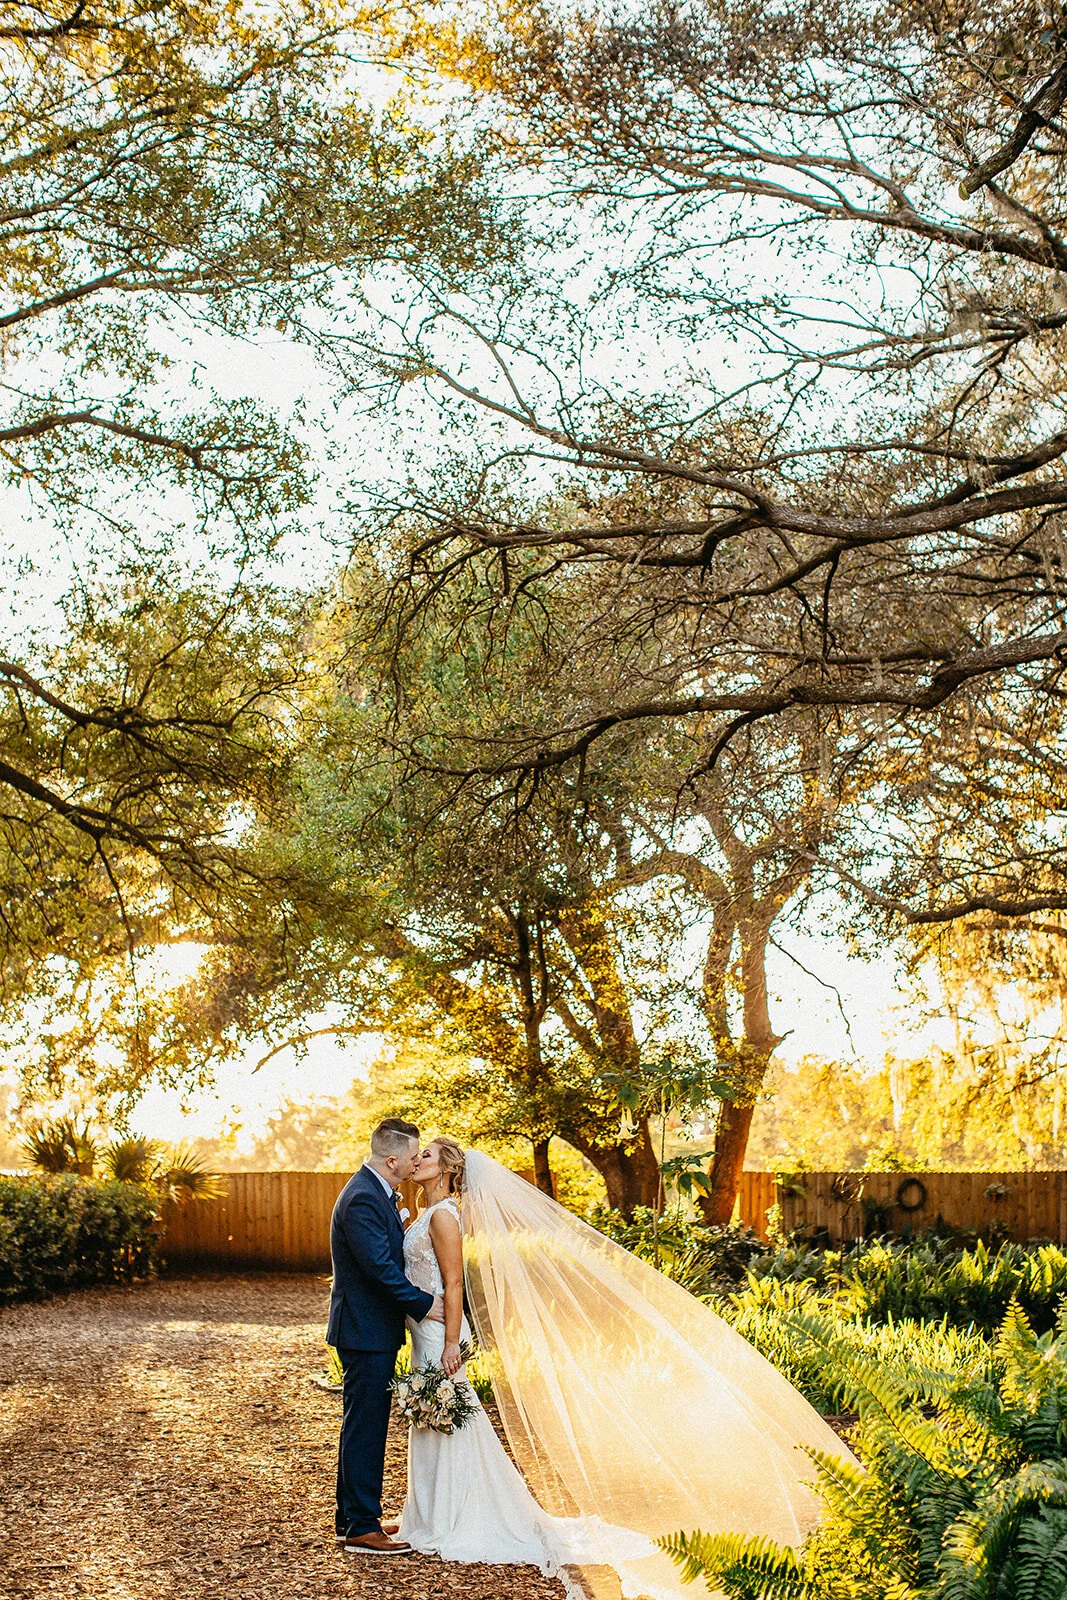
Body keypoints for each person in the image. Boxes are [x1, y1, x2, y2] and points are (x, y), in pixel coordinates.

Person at [397, 1138, 862, 1600]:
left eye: (426, 1157)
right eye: (417, 1156)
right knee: (440, 1418)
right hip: (424, 1330)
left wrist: (453, 1341)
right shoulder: (428, 1212)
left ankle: (457, 1514)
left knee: (451, 1416)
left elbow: (455, 1281)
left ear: (446, 1171)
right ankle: (432, 1511)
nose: (417, 1161)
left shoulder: (444, 1217)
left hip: (440, 1335)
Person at [327, 1118, 444, 1556]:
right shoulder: (362, 1198)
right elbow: (380, 1269)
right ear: (392, 1159)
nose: (416, 1162)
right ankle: (360, 1525)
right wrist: (425, 1305)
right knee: (366, 1426)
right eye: (413, 1156)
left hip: (369, 1328)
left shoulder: (374, 1192)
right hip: (364, 1329)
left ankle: (350, 1519)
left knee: (361, 1422)